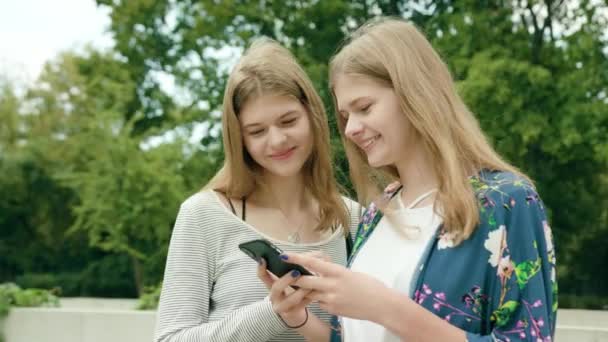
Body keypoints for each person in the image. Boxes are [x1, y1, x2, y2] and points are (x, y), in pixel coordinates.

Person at [265, 18, 557, 342]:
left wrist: (385, 307)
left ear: (415, 93)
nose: (349, 129)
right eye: (346, 116)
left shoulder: (506, 201)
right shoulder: (378, 212)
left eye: (364, 108)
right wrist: (300, 317)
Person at [154, 38, 361, 342]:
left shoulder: (351, 218)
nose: (277, 140)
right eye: (257, 131)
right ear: (240, 139)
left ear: (312, 116)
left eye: (288, 121)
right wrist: (272, 312)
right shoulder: (203, 214)